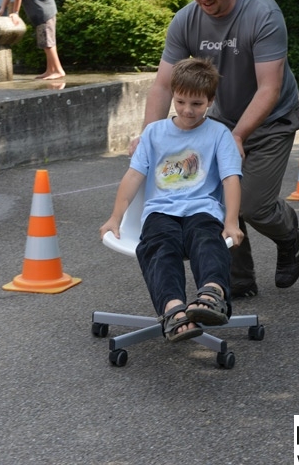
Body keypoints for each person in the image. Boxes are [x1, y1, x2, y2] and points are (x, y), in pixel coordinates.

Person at [129, 0, 299, 298]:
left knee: (254, 205)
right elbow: (163, 85)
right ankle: (237, 279)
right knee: (215, 196)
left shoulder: (262, 13)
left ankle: (289, 236)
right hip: (222, 118)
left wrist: (237, 136)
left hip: (272, 120)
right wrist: (149, 137)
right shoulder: (186, 20)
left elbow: (269, 88)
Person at [100, 57, 244, 342]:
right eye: (180, 102)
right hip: (161, 212)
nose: (187, 110)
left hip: (202, 209)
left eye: (197, 104)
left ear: (210, 101)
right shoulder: (154, 133)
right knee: (158, 246)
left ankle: (212, 295)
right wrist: (115, 217)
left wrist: (231, 222)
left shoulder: (219, 134)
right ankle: (173, 310)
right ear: (173, 96)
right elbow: (133, 177)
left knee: (208, 239)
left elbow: (231, 179)